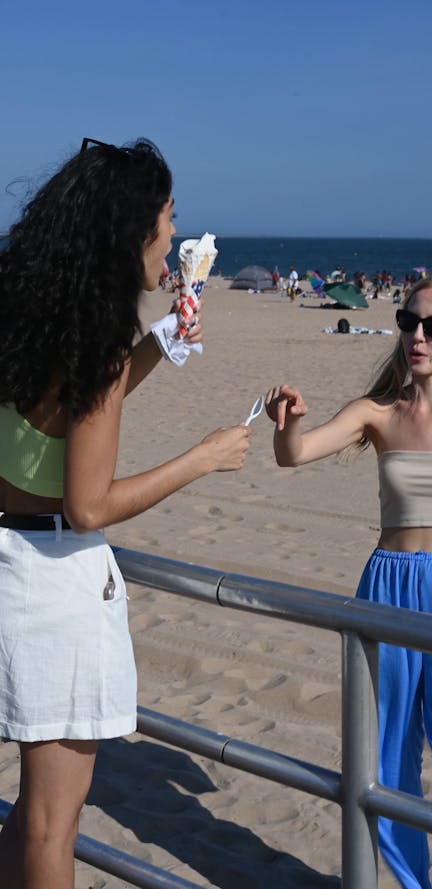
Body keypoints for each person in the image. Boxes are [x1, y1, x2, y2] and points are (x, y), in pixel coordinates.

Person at [0, 137, 251, 889]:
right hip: (53, 586)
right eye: (168, 218)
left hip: (10, 559)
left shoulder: (34, 312)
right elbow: (86, 503)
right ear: (133, 227)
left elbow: (61, 425)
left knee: (25, 818)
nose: (174, 236)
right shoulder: (98, 342)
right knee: (53, 823)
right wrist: (200, 458)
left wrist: (158, 342)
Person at [265, 275, 432, 889]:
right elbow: (293, 455)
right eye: (407, 321)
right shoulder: (376, 412)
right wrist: (286, 422)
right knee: (383, 750)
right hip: (387, 588)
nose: (415, 336)